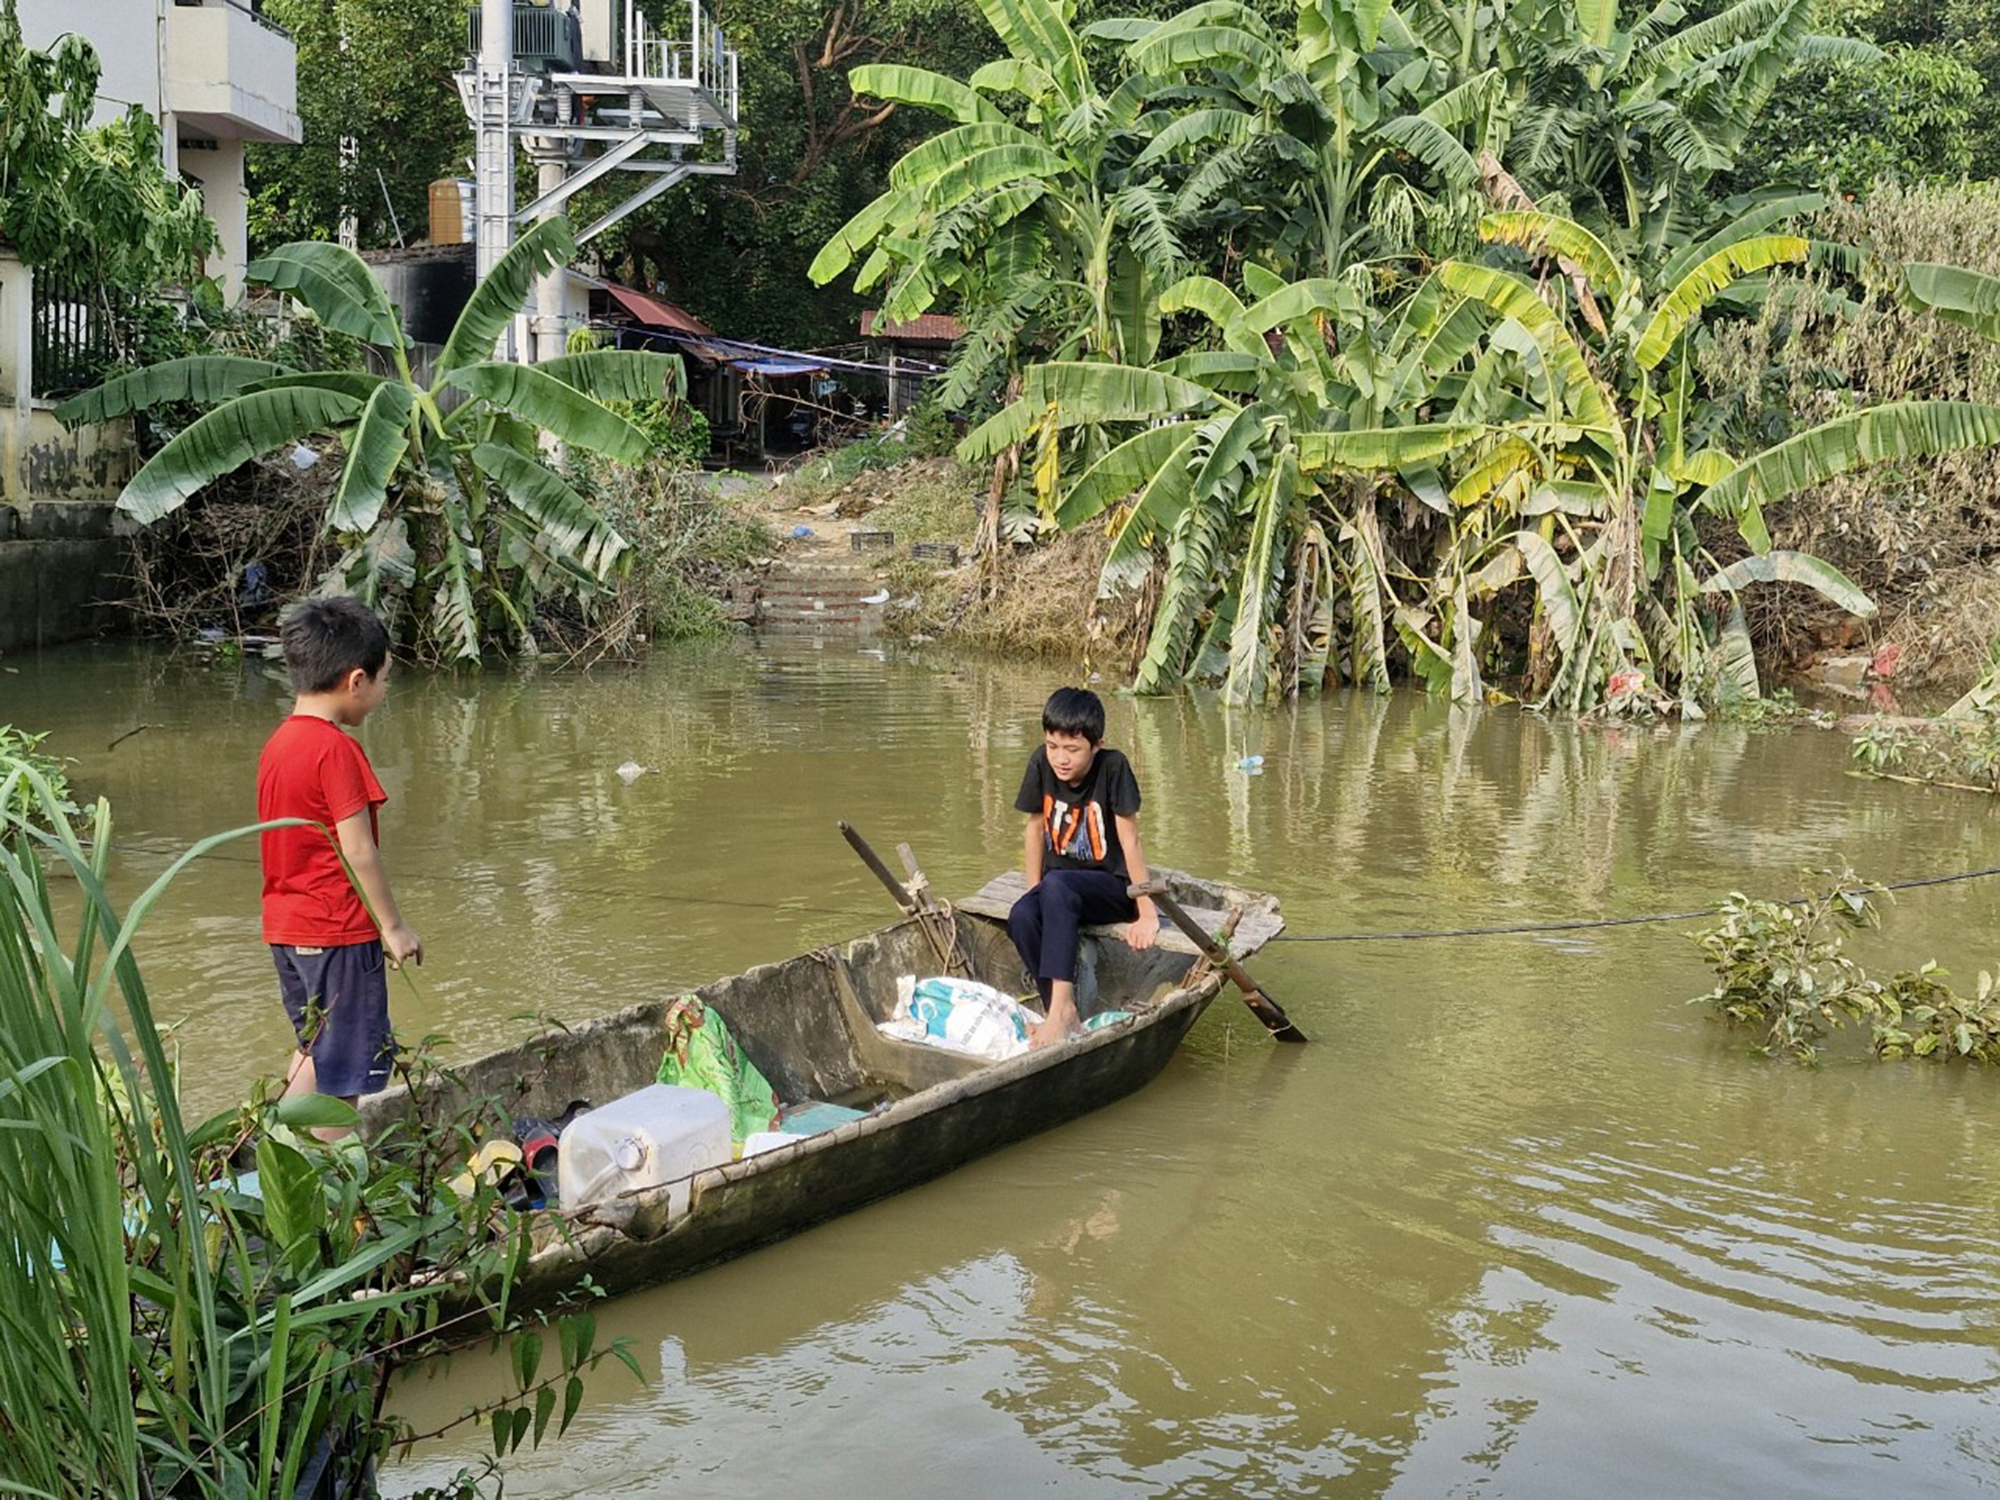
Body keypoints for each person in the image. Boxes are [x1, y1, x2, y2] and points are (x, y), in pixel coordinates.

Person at [257, 596, 422, 1130]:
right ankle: (330, 1185)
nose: (383, 690)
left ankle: (279, 1154)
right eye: (384, 679)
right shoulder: (336, 750)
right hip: (337, 933)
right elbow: (357, 849)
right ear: (356, 681)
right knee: (345, 1076)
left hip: (287, 930)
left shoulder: (278, 744)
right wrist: (393, 927)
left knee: (315, 1049)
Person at [1008, 686, 1160, 1049]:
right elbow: (1035, 828)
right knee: (1021, 915)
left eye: (1072, 750)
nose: (1061, 758)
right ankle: (1060, 1012)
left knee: (1057, 884)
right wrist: (1035, 892)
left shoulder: (1114, 767)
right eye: (1053, 746)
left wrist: (1146, 911)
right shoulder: (1040, 763)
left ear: (1096, 744)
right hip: (1060, 888)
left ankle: (1059, 1012)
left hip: (1110, 888)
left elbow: (1131, 841)